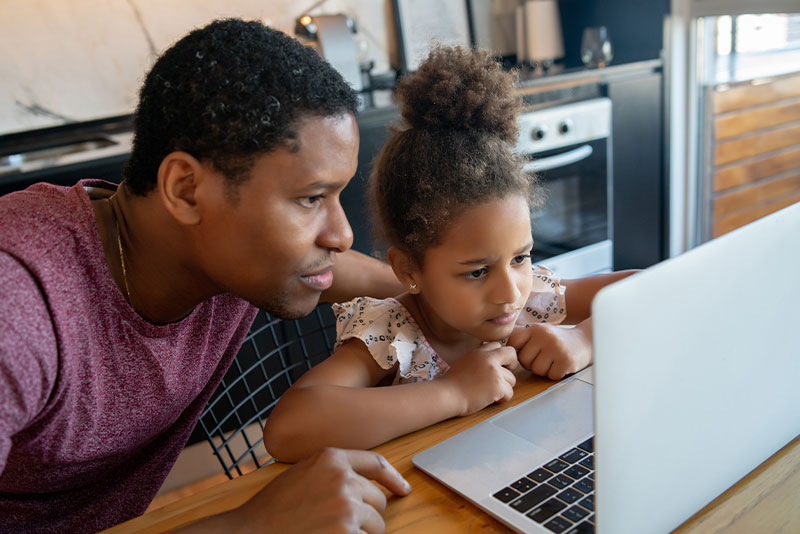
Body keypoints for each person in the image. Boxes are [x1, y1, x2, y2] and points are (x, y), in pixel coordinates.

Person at [0, 19, 411, 534]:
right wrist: (254, 525)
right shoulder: (17, 305)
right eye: (310, 199)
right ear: (187, 189)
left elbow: (335, 271)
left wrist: (450, 293)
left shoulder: (218, 250)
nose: (342, 234)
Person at [263, 46, 637, 463]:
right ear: (409, 270)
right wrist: (452, 392)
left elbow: (650, 289)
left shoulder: (533, 299)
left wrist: (583, 339)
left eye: (519, 258)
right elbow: (288, 428)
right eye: (477, 272)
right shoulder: (395, 334)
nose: (508, 292)